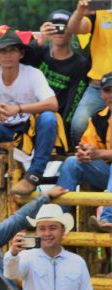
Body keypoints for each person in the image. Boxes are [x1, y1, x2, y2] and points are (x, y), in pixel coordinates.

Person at [0, 31, 59, 205]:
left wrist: (19, 109)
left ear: (21, 54)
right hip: (0, 128)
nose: (7, 55)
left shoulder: (33, 74)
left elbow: (53, 104)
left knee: (49, 118)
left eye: (12, 50)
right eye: (2, 51)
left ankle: (33, 176)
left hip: (29, 130)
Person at [49, 72, 112, 230]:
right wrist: (84, 154)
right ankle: (56, 221)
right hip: (107, 175)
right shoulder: (98, 118)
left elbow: (99, 154)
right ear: (101, 94)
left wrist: (100, 154)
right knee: (72, 162)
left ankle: (107, 219)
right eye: (107, 91)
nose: (111, 95)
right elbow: (86, 145)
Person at [29, 9, 90, 145]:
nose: (59, 31)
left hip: (55, 122)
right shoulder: (40, 52)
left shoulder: (80, 64)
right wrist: (39, 42)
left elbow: (73, 103)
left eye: (64, 27)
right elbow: (20, 63)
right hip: (29, 116)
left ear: (73, 30)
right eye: (54, 27)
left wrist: (62, 134)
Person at [66, 0, 112, 143]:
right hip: (99, 85)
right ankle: (87, 162)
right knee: (79, 124)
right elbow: (74, 28)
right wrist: (79, 13)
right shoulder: (100, 6)